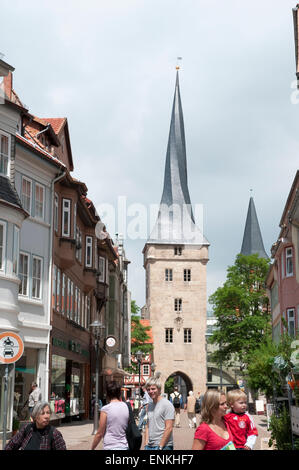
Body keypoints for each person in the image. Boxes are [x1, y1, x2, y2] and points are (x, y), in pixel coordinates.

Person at [91, 381, 129, 450]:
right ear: (119, 393)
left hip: (110, 446)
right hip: (124, 445)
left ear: (107, 394)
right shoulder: (125, 406)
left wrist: (92, 448)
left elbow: (100, 433)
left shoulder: (106, 409)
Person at [144, 375, 175, 450]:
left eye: (153, 389)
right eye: (148, 389)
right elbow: (148, 426)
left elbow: (169, 427)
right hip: (150, 446)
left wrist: (160, 446)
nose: (150, 391)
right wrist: (145, 444)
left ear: (159, 389)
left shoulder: (167, 404)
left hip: (164, 446)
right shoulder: (149, 405)